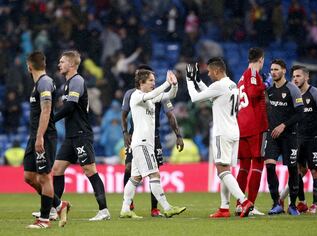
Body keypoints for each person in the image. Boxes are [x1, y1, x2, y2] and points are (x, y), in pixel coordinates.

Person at [186, 57, 253, 218]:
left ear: (216, 71)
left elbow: (195, 98)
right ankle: (224, 208)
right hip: (233, 131)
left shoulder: (219, 85)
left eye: (209, 71)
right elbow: (210, 95)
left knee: (222, 170)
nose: (208, 74)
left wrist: (189, 80)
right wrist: (198, 80)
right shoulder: (232, 85)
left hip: (222, 132)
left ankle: (244, 201)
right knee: (227, 170)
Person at [51, 50, 110, 222]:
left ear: (71, 64)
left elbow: (70, 107)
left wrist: (51, 120)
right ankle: (55, 209)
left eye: (62, 62)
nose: (59, 64)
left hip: (81, 134)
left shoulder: (77, 81)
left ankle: (104, 210)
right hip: (71, 136)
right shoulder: (68, 84)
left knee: (89, 170)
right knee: (57, 169)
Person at [120, 68, 186, 218]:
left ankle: (125, 209)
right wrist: (166, 82)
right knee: (154, 174)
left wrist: (174, 85)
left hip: (144, 143)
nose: (153, 83)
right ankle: (167, 207)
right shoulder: (136, 96)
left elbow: (169, 95)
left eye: (154, 81)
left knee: (135, 178)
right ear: (141, 82)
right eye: (151, 80)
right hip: (142, 143)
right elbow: (153, 94)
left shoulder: (150, 98)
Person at [24, 51, 69, 229]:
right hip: (34, 135)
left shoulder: (44, 82)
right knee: (29, 177)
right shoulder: (38, 84)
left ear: (29, 66)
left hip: (44, 136)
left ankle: (44, 220)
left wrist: (40, 137)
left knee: (43, 177)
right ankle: (59, 205)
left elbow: (47, 109)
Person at [278, 65, 317, 214]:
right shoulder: (291, 94)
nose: (295, 79)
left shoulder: (315, 93)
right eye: (294, 76)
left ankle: (314, 205)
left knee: (315, 172)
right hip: (297, 139)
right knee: (297, 171)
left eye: (298, 76)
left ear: (306, 77)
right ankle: (301, 202)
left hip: (314, 138)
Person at [265, 59, 304, 216]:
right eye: (271, 69)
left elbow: (300, 113)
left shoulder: (292, 89)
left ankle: (293, 205)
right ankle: (276, 203)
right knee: (269, 166)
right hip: (273, 135)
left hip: (289, 136)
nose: (273, 72)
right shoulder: (269, 90)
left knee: (292, 169)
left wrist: (284, 125)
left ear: (284, 71)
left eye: (276, 69)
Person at [235, 47, 268, 216]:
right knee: (258, 163)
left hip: (242, 125)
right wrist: (266, 84)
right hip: (256, 125)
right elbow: (255, 92)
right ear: (261, 59)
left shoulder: (241, 78)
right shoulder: (253, 73)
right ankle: (251, 205)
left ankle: (240, 204)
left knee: (244, 166)